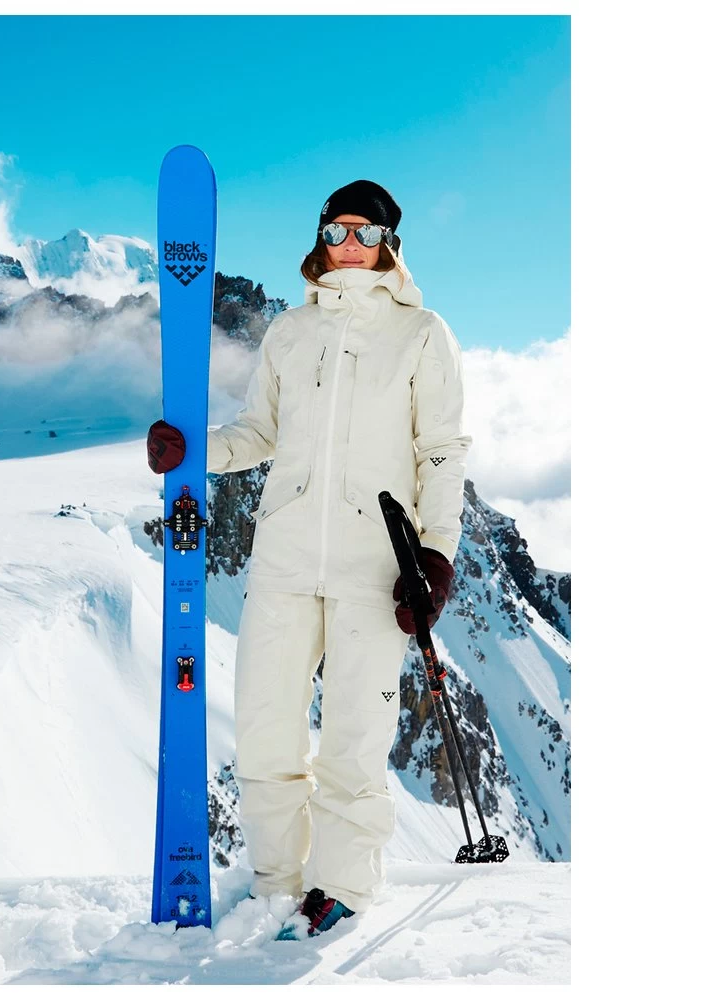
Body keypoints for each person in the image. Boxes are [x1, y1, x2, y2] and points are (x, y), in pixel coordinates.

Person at [147, 179, 472, 939]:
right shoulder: (289, 333)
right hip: (286, 557)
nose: (349, 246)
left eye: (365, 233)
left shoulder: (423, 333)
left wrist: (435, 557)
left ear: (390, 244)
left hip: (376, 563)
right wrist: (193, 452)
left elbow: (442, 451)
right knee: (265, 727)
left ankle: (343, 886)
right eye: (336, 231)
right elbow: (259, 433)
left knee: (354, 737)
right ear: (320, 239)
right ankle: (275, 883)